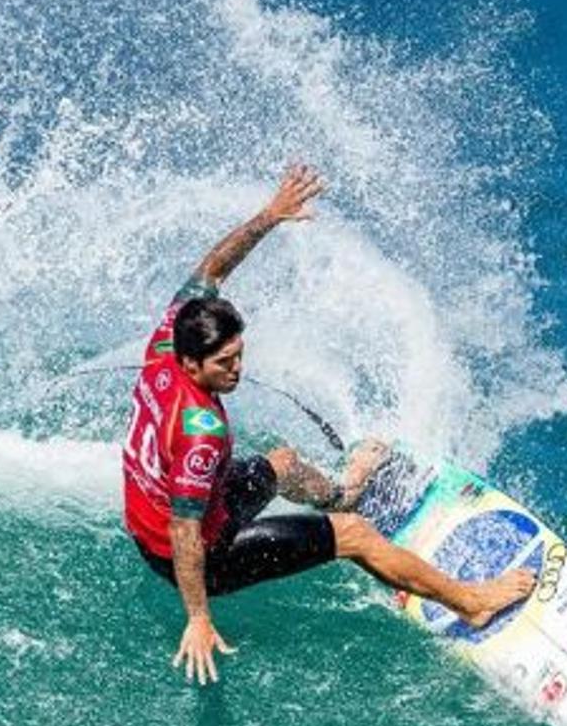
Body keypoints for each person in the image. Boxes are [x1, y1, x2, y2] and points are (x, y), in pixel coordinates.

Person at [123, 163, 536, 686]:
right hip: (200, 553)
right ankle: (472, 601)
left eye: (239, 355)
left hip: (154, 525)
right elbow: (185, 531)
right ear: (191, 365)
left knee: (284, 463)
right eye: (223, 364)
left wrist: (270, 216)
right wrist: (199, 618)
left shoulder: (166, 342)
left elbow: (213, 268)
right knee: (356, 537)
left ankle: (343, 491)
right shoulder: (202, 432)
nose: (237, 370)